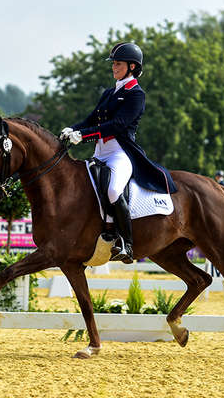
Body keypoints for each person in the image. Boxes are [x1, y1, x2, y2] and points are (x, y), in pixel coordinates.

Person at [60, 42, 177, 263]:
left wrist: (84, 136)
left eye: (118, 64)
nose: (114, 67)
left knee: (114, 190)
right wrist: (73, 129)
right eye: (113, 63)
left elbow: (118, 125)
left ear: (132, 66)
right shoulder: (109, 92)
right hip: (99, 153)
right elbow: (91, 119)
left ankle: (126, 243)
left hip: (120, 153)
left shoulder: (136, 94)